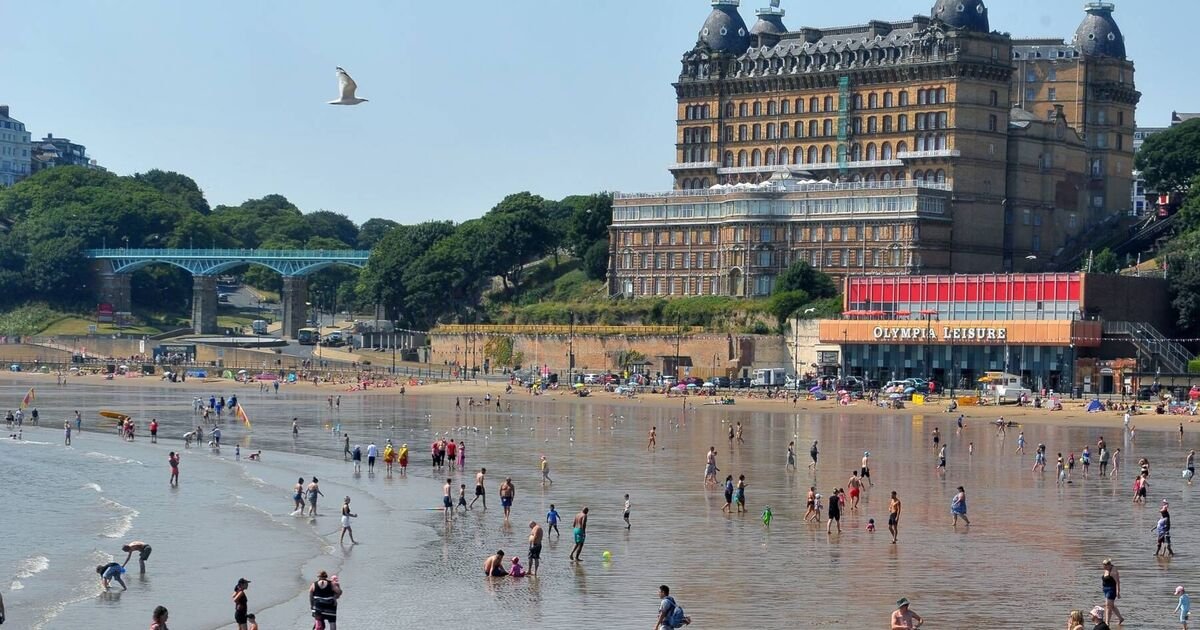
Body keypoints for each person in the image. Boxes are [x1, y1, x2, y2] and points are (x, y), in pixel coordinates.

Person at [1102, 558, 1125, 625]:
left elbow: (1117, 582)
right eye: (1103, 565)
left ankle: (1107, 622)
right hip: (1106, 589)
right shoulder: (1106, 570)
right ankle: (1120, 618)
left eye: (1105, 565)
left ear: (1109, 565)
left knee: (1108, 606)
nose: (1104, 567)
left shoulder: (1113, 570)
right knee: (1111, 605)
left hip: (1112, 589)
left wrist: (1118, 591)